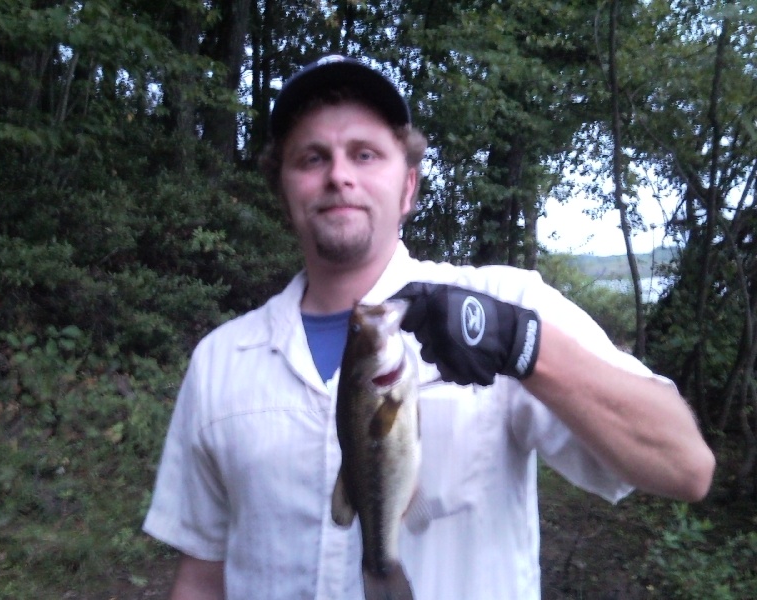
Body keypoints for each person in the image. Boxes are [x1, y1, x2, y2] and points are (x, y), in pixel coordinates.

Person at [143, 55, 715, 600]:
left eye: (365, 154)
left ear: (409, 187)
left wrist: (524, 346)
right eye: (311, 158)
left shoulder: (510, 302)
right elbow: (201, 576)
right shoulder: (220, 360)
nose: (339, 175)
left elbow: (686, 467)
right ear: (284, 188)